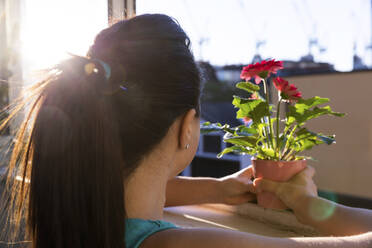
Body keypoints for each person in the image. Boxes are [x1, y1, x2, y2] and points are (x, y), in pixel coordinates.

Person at [3, 13, 372, 248]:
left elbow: (127, 186)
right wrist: (311, 206)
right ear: (186, 129)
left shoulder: (76, 209)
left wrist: (218, 188)